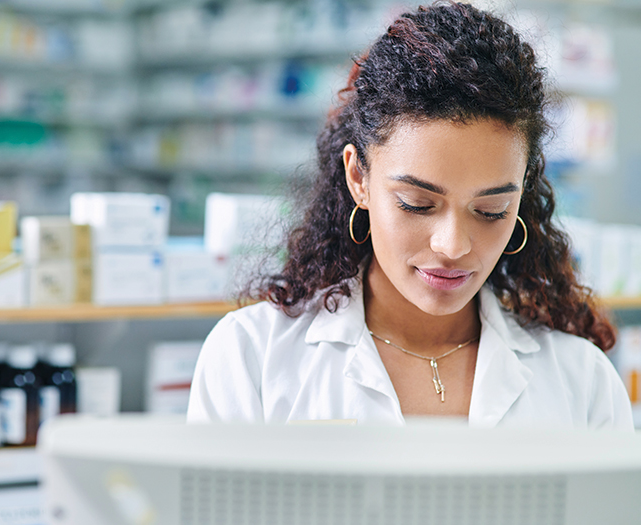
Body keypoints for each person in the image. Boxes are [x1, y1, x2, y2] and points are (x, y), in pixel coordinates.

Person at [186, 1, 633, 429]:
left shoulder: (582, 380)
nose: (453, 245)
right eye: (418, 204)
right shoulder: (252, 357)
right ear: (358, 177)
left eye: (490, 210)